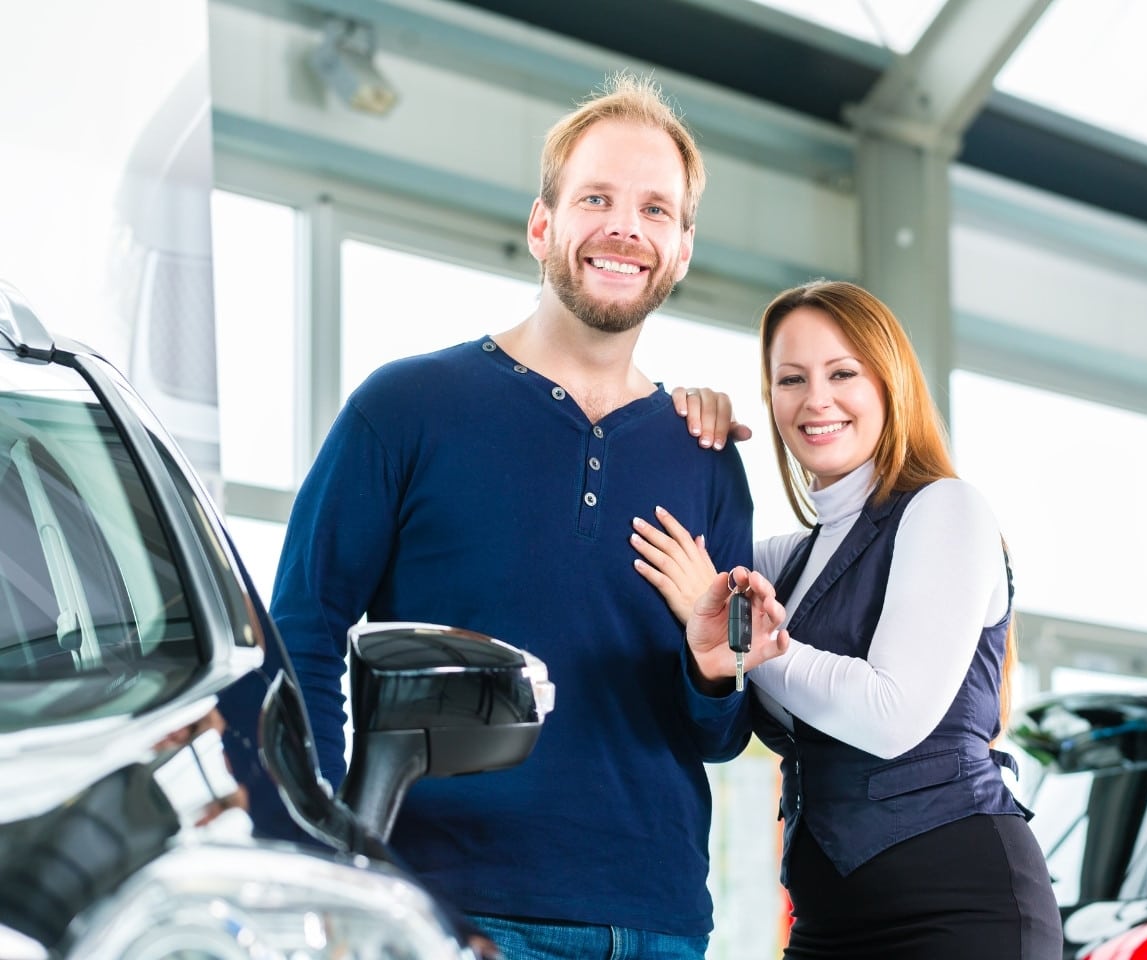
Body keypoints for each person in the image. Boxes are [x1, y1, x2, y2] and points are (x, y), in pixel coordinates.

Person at [270, 73, 775, 960]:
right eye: (597, 198)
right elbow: (302, 632)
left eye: (656, 209)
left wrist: (710, 669)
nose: (626, 228)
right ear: (543, 225)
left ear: (682, 250)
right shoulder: (406, 407)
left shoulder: (708, 457)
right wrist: (328, 841)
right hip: (449, 907)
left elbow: (723, 735)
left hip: (656, 925)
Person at [631, 280, 1064, 959]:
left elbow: (890, 714)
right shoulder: (783, 563)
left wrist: (745, 641)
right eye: (791, 379)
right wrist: (682, 427)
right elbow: (661, 556)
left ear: (890, 384)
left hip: (960, 914)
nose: (816, 400)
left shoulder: (946, 508)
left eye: (842, 373)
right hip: (826, 921)